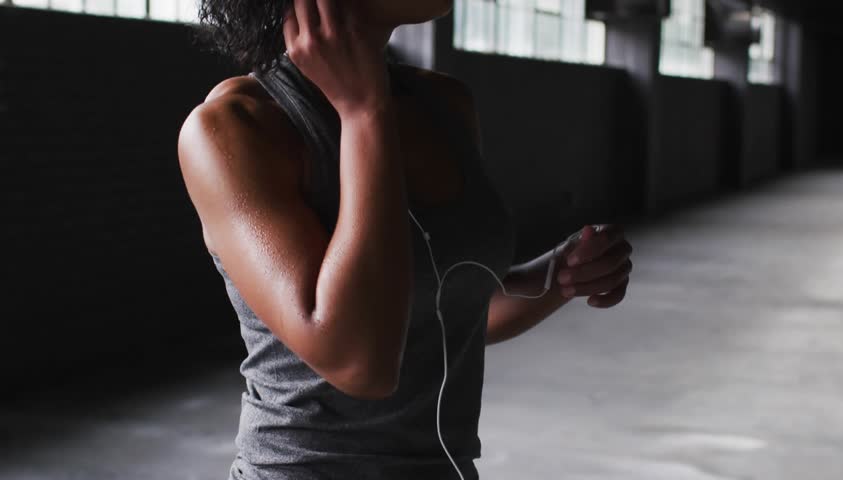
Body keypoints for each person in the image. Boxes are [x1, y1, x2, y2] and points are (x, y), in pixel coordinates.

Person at [177, 1, 634, 478]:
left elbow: (439, 308)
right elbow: (361, 363)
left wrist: (557, 278)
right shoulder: (234, 128)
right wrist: (362, 112)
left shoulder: (445, 105)